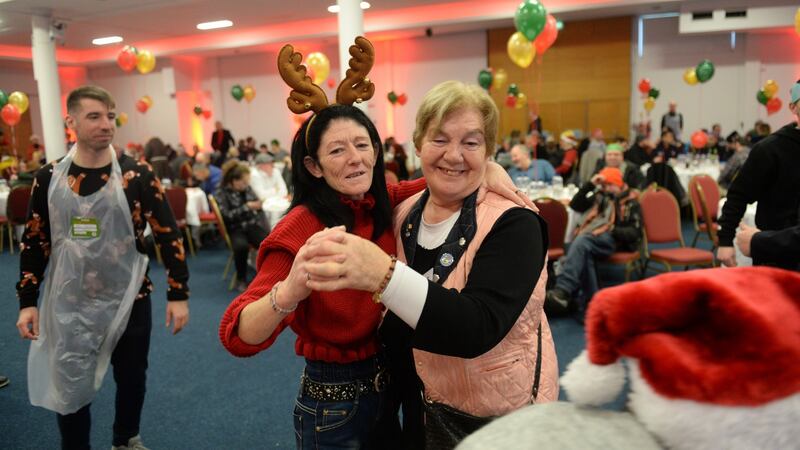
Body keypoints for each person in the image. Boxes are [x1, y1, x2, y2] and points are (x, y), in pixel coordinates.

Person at [219, 37, 525, 449]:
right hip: (333, 403)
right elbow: (237, 335)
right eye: (337, 150)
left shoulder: (379, 201)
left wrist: (485, 168)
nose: (355, 159)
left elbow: (435, 178)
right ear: (313, 166)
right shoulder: (298, 230)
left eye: (363, 145)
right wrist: (291, 289)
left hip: (391, 389)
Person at [303, 80, 558, 448]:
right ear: (418, 145)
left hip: (492, 422)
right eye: (440, 139)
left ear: (489, 151)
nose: (454, 155)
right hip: (418, 415)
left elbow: (476, 328)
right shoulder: (404, 213)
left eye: (471, 143)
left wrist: (384, 275)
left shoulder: (515, 224)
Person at [15, 85, 189, 450]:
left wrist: (178, 292)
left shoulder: (136, 174)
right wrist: (28, 301)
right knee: (69, 379)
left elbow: (167, 232)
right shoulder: (48, 178)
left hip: (129, 297)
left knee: (131, 378)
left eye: (110, 116)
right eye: (94, 116)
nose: (106, 124)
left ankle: (126, 438)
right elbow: (34, 241)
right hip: (69, 301)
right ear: (71, 121)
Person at [717, 80, 800, 270]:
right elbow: (739, 194)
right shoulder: (770, 149)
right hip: (775, 259)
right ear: (793, 107)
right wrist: (725, 240)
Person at [546, 167, 642, 316]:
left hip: (615, 240)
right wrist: (590, 184)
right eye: (604, 185)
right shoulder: (600, 196)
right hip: (593, 239)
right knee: (585, 252)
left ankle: (563, 290)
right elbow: (575, 204)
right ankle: (593, 304)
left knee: (581, 242)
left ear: (618, 184)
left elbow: (635, 233)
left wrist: (611, 230)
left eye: (610, 184)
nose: (606, 188)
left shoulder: (631, 202)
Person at [215, 160, 270, 291]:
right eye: (244, 182)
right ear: (233, 180)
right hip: (235, 228)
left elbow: (255, 201)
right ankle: (241, 279)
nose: (247, 185)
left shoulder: (246, 188)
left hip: (251, 225)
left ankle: (268, 275)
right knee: (241, 247)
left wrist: (257, 204)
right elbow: (227, 216)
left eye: (247, 182)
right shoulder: (221, 193)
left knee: (269, 242)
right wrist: (247, 207)